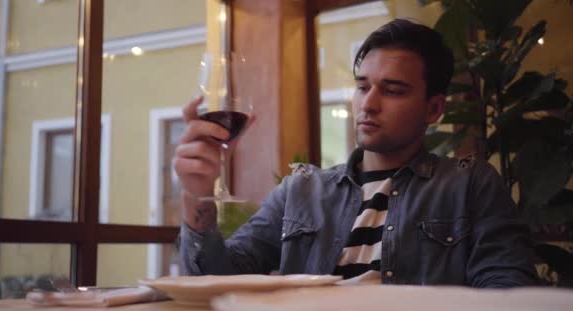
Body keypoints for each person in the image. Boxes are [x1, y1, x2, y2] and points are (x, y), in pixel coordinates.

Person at [173, 19, 538, 287]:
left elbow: (507, 296)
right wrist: (196, 194)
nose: (369, 104)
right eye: (362, 87)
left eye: (393, 90)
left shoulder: (468, 184)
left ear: (433, 109)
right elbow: (216, 280)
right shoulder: (301, 190)